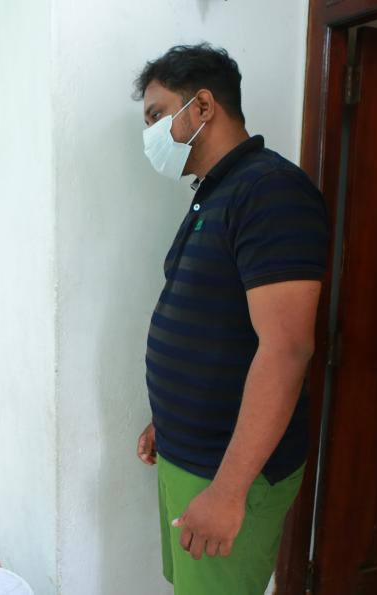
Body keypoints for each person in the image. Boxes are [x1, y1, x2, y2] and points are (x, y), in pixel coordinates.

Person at [134, 44, 329, 594]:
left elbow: (286, 350)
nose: (149, 132)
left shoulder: (270, 192)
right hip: (188, 452)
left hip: (229, 470)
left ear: (202, 107)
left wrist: (228, 490)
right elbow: (215, 323)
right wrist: (167, 420)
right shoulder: (216, 192)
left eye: (155, 114)